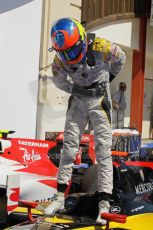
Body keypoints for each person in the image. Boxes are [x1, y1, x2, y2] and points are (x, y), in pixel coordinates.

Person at [45, 18, 126, 225]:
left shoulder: (102, 46)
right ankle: (59, 197)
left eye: (72, 52)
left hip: (100, 99)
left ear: (82, 40)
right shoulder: (61, 58)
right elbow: (57, 79)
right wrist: (74, 90)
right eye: (65, 54)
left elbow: (121, 58)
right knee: (69, 147)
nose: (69, 58)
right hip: (79, 100)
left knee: (103, 149)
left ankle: (104, 203)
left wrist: (108, 78)